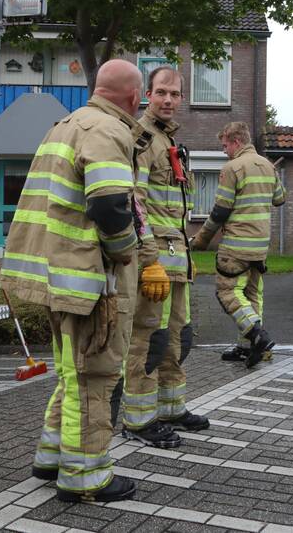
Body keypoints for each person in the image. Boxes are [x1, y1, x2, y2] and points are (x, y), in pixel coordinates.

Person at [0, 59, 145, 503]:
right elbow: (109, 206)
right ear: (134, 99)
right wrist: (124, 253)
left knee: (70, 374)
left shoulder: (64, 124)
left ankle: (51, 457)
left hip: (55, 277)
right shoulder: (108, 130)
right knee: (94, 376)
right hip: (87, 281)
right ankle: (86, 478)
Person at [120, 66, 209, 449]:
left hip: (177, 264)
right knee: (148, 341)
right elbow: (134, 202)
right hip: (154, 265)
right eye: (161, 93)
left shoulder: (172, 142)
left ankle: (171, 408)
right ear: (147, 95)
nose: (168, 100)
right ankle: (139, 421)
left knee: (177, 340)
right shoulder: (141, 139)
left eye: (174, 94)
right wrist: (147, 259)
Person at [191, 122, 286, 368]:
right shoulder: (267, 166)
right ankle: (247, 348)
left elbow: (221, 210)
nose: (224, 151)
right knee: (252, 294)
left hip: (236, 246)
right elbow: (280, 199)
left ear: (236, 142)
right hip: (260, 247)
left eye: (225, 145)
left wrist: (201, 239)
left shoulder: (232, 168)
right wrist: (269, 177)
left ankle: (257, 336)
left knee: (228, 291)